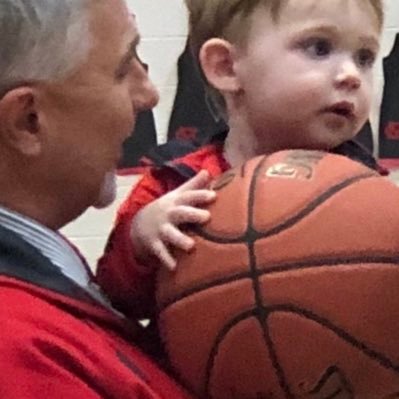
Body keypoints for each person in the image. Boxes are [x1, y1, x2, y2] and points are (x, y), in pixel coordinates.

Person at [97, 0, 384, 321]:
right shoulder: (174, 185)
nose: (351, 76)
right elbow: (115, 300)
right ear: (226, 67)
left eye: (364, 58)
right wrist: (138, 243)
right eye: (319, 48)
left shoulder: (371, 191)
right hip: (202, 367)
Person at [0, 0, 194, 397]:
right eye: (124, 68)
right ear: (29, 121)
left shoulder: (41, 272)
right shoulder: (20, 355)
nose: (149, 94)